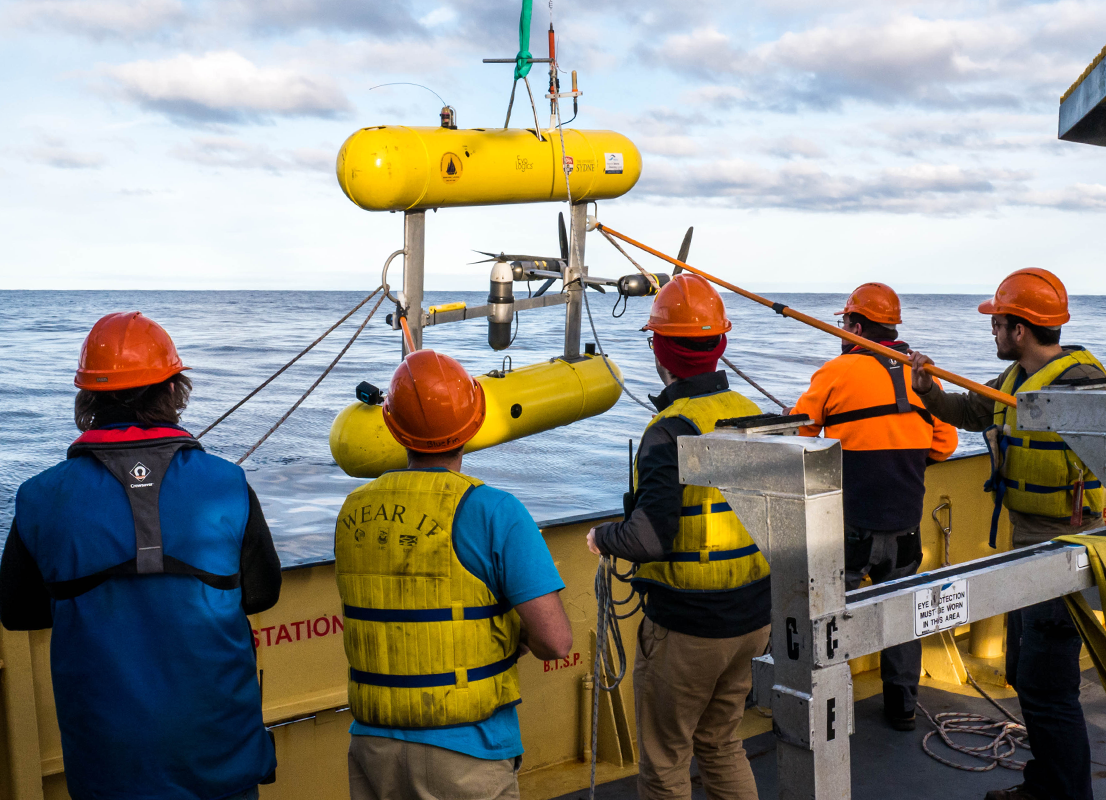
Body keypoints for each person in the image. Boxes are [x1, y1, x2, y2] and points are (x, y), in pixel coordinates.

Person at [0, 311, 280, 800]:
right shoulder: (226, 483)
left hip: (107, 762)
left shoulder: (40, 495)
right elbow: (261, 593)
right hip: (219, 753)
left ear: (87, 399)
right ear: (173, 392)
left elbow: (20, 611)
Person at [910, 268, 1106, 800]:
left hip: (1063, 551)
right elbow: (973, 412)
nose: (992, 333)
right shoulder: (1014, 378)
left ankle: (1064, 793)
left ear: (1019, 330)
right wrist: (928, 389)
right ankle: (1046, 781)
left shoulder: (1082, 384)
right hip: (1026, 546)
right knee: (1026, 672)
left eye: (996, 324)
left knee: (1049, 688)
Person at [335, 349, 572, 800]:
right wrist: (509, 637)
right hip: (468, 753)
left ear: (390, 426)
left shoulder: (354, 511)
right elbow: (555, 640)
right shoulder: (495, 511)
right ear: (476, 422)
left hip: (372, 745)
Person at [586, 273, 770, 800]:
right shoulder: (750, 413)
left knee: (666, 761)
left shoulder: (668, 430)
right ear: (721, 344)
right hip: (750, 619)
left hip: (690, 628)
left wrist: (604, 536)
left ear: (660, 349)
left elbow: (649, 537)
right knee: (721, 743)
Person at [790, 283, 958, 731]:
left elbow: (799, 440)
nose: (843, 329)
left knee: (828, 614)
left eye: (845, 322)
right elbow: (946, 443)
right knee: (901, 613)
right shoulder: (925, 377)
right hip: (905, 525)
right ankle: (902, 708)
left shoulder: (836, 372)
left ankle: (827, 711)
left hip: (851, 529)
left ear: (857, 326)